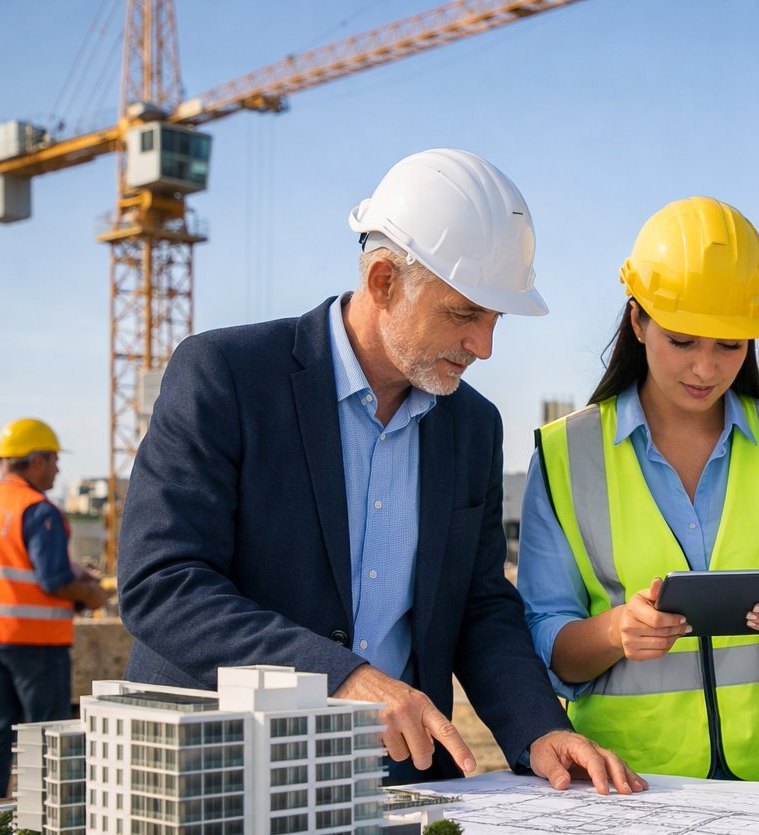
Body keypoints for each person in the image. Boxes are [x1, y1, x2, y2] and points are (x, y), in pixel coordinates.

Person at [117, 149, 642, 795]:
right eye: (463, 314)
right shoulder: (226, 376)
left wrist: (538, 729)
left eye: (494, 318)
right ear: (384, 282)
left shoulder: (472, 427)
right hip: (221, 773)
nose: (484, 346)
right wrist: (339, 677)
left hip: (395, 779)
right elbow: (162, 583)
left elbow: (479, 605)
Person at [517, 196, 759, 784]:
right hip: (632, 783)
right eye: (683, 341)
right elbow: (545, 638)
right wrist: (613, 632)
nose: (706, 368)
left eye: (730, 345)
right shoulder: (564, 456)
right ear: (638, 321)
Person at [0, 418, 108, 800]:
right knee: (48, 733)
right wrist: (91, 595)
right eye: (53, 460)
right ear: (36, 460)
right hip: (35, 642)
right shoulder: (38, 510)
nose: (57, 469)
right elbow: (52, 580)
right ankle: (53, 815)